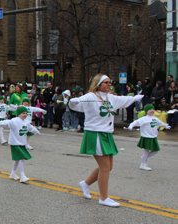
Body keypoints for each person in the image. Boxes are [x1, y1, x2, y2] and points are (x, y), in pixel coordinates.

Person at [69, 74, 143, 207]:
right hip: (94, 133)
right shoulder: (91, 96)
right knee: (105, 167)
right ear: (98, 84)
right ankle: (103, 198)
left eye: (110, 82)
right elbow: (78, 103)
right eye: (106, 82)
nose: (110, 84)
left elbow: (124, 99)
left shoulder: (111, 97)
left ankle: (85, 183)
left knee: (109, 167)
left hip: (107, 134)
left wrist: (135, 98)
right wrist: (73, 102)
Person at [0, 107, 40, 183]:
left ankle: (13, 173)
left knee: (17, 159)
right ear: (19, 114)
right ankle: (22, 176)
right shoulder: (14, 121)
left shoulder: (26, 122)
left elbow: (31, 128)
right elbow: (6, 123)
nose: (25, 115)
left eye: (26, 113)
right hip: (15, 143)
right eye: (23, 113)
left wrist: (36, 131)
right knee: (21, 158)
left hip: (22, 143)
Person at [127, 105, 170, 171]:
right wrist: (131, 125)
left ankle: (144, 158)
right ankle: (142, 164)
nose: (152, 110)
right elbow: (136, 122)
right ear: (146, 111)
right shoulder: (144, 119)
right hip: (146, 136)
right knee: (146, 151)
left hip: (153, 137)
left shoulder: (155, 118)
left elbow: (160, 123)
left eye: (153, 109)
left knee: (155, 151)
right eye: (150, 109)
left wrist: (166, 126)